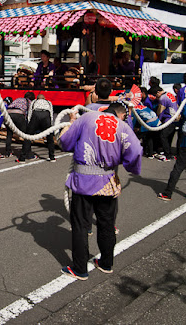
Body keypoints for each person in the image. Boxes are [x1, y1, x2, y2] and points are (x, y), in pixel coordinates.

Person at [59, 102, 142, 280]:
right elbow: (136, 151)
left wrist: (71, 122)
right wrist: (129, 167)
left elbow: (65, 143)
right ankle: (106, 263)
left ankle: (80, 268)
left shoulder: (87, 118)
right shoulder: (122, 126)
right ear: (121, 114)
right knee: (106, 223)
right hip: (107, 181)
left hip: (83, 181)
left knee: (81, 225)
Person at [19, 94, 55, 163]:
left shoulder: (34, 102)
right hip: (46, 115)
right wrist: (50, 124)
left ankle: (22, 158)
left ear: (37, 98)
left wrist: (30, 124)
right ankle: (52, 157)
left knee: (28, 137)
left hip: (36, 114)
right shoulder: (48, 102)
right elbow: (51, 113)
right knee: (50, 138)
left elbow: (30, 112)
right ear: (44, 98)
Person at [152, 87, 178, 161]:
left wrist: (157, 121)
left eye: (155, 95)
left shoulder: (162, 98)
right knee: (170, 136)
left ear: (158, 92)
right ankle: (169, 151)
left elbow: (160, 111)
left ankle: (167, 154)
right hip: (175, 118)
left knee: (163, 136)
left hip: (169, 119)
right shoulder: (170, 94)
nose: (155, 97)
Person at [133, 88, 161, 159]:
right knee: (150, 137)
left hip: (149, 123)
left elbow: (134, 121)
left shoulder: (134, 109)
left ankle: (138, 152)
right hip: (157, 121)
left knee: (141, 136)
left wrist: (134, 128)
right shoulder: (142, 106)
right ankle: (151, 152)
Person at [5, 92, 34, 157]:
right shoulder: (29, 102)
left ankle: (8, 152)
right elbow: (29, 114)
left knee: (9, 133)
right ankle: (27, 152)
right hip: (18, 114)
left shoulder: (18, 99)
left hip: (8, 114)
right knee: (26, 134)